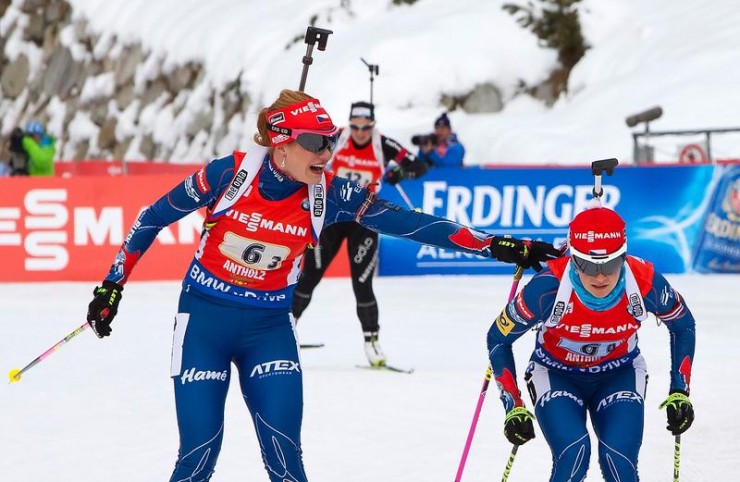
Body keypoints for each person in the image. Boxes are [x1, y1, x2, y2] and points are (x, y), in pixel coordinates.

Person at [85, 89, 561, 482]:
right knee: (198, 456)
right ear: (281, 143)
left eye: (330, 140)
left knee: (287, 464)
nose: (326, 152)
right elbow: (151, 218)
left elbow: (414, 224)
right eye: (315, 141)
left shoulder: (328, 193)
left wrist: (500, 246)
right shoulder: (229, 175)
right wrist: (112, 287)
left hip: (268, 328)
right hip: (204, 322)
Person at [486, 206, 696, 482]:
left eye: (610, 264)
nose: (600, 277)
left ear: (623, 255)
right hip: (556, 374)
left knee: (619, 459)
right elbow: (498, 338)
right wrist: (513, 405)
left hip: (619, 373)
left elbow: (684, 326)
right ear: (573, 259)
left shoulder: (644, 281)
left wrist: (680, 390)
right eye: (588, 265)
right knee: (573, 452)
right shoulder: (547, 288)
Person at [291, 100, 428, 367]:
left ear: (372, 125)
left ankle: (372, 344)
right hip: (330, 217)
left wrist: (399, 172)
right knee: (308, 278)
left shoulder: (383, 144)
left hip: (364, 221)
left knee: (362, 285)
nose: (360, 132)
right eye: (355, 126)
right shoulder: (337, 136)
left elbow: (418, 166)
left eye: (365, 127)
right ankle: (285, 330)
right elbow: (303, 150)